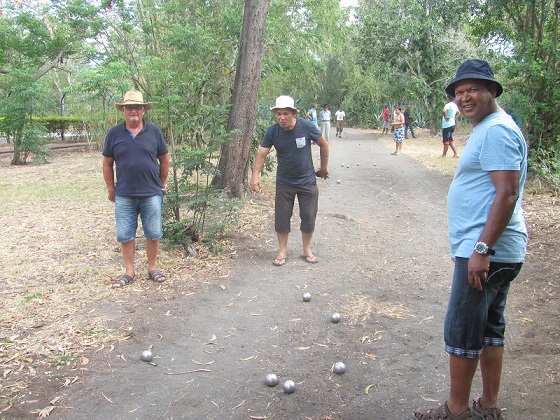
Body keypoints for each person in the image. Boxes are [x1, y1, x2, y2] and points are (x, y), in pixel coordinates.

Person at [414, 59, 528, 420]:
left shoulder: (495, 130)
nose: (464, 98)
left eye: (472, 90)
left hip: (487, 251)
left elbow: (507, 193)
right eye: (459, 92)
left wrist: (480, 249)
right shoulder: (489, 126)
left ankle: (456, 411)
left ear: (491, 91)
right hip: (493, 250)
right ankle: (489, 405)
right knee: (491, 328)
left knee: (462, 330)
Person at [250, 95, 329, 267]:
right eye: (278, 114)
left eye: (285, 113)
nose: (282, 117)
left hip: (307, 181)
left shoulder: (306, 127)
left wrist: (323, 168)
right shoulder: (273, 131)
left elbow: (324, 144)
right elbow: (262, 153)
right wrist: (255, 176)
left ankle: (307, 249)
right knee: (282, 216)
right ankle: (282, 250)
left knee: (308, 215)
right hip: (284, 181)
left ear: (293, 113)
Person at [102, 90, 170, 288]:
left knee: (153, 232)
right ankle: (129, 271)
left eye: (137, 107)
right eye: (129, 107)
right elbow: (107, 164)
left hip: (151, 192)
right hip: (124, 193)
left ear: (143, 111)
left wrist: (162, 183)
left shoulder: (154, 131)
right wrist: (110, 188)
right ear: (123, 110)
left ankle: (152, 268)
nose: (133, 111)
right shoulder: (114, 134)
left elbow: (164, 159)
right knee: (125, 234)